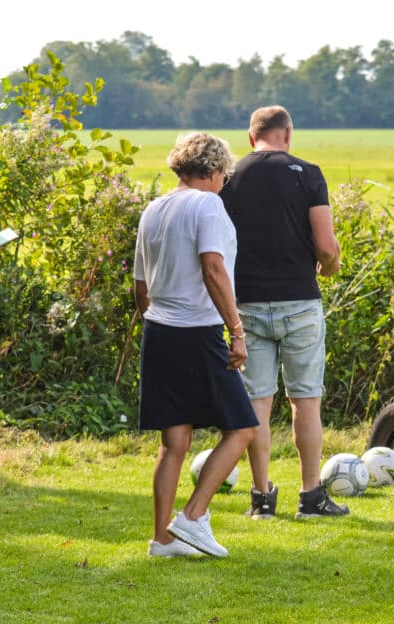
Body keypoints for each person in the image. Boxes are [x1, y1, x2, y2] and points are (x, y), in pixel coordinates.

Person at [134, 132, 258, 558]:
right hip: (197, 331)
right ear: (217, 170)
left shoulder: (153, 209)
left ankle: (161, 540)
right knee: (242, 428)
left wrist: (161, 315)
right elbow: (213, 269)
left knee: (175, 442)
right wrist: (236, 331)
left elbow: (140, 288)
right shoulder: (208, 205)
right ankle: (191, 517)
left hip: (159, 330)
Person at [219, 105, 345, 520]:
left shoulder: (229, 178)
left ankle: (261, 499)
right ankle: (311, 497)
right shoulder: (308, 173)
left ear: (250, 136)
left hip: (247, 305)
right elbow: (326, 248)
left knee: (257, 402)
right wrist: (329, 268)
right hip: (299, 302)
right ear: (287, 134)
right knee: (305, 401)